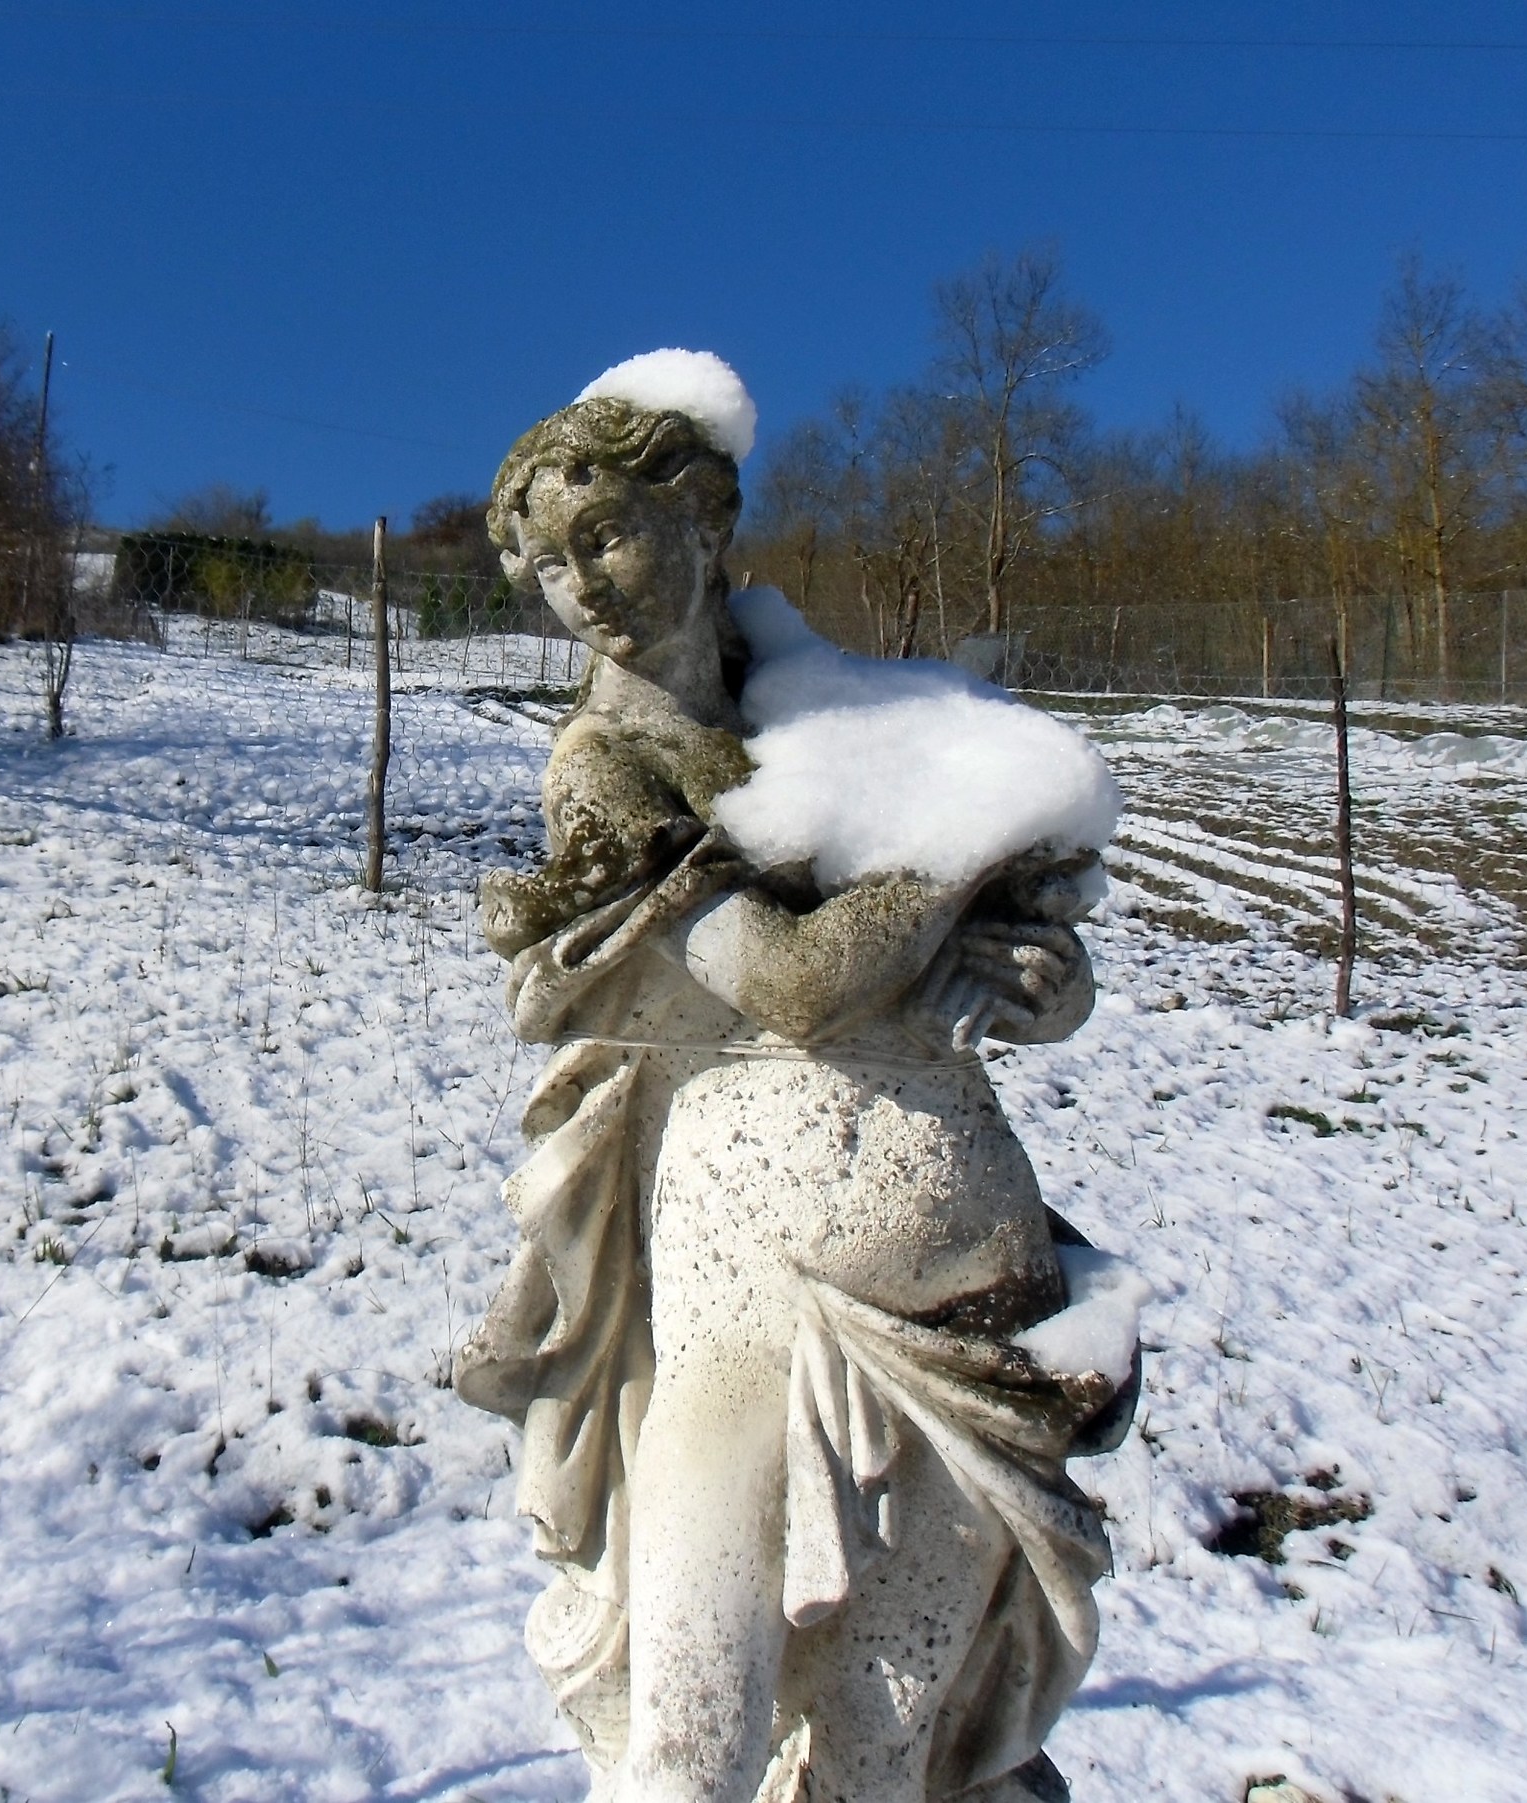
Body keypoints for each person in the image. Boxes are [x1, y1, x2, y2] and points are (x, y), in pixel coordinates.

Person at [457, 378, 1137, 1803]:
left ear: (704, 517)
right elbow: (788, 984)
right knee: (690, 1742)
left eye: (611, 539)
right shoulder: (606, 767)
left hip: (962, 1269)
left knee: (886, 1758)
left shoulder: (826, 707)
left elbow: (1044, 972)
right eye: (550, 564)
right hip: (749, 1273)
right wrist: (965, 834)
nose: (581, 589)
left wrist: (1039, 977)